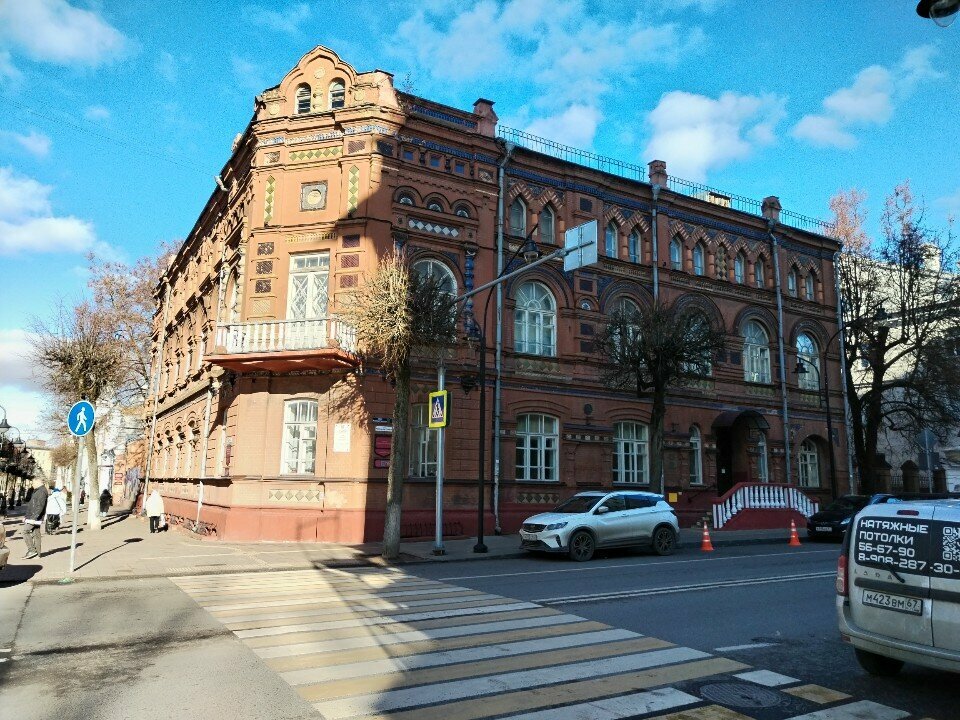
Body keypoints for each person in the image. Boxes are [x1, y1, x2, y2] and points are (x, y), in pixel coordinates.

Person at [22, 478, 48, 559]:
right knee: (36, 534)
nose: (32, 484)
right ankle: (37, 554)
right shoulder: (38, 490)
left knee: (25, 531)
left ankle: (32, 550)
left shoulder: (41, 491)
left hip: (35, 517)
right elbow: (31, 505)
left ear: (38, 482)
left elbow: (40, 506)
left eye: (33, 482)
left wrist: (34, 517)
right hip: (33, 516)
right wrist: (26, 516)